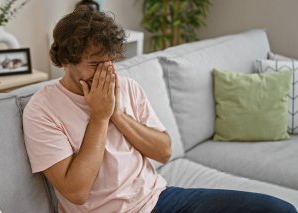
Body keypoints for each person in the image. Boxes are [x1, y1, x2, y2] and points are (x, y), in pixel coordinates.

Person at [23, 9, 297, 213]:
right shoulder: (42, 110)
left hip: (160, 199)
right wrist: (100, 117)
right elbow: (76, 192)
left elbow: (164, 150)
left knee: (280, 210)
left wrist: (117, 114)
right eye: (95, 64)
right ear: (65, 61)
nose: (107, 71)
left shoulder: (126, 86)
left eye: (111, 61)